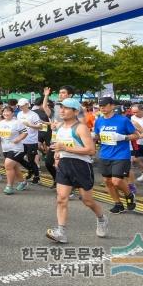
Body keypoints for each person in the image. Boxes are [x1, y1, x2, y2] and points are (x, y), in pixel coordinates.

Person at [46, 98, 108, 243]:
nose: (62, 110)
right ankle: (61, 231)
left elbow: (91, 150)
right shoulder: (60, 126)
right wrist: (57, 155)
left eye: (66, 108)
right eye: (61, 108)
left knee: (87, 200)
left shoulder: (81, 128)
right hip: (64, 165)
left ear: (75, 111)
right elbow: (59, 146)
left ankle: (101, 218)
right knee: (61, 199)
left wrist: (65, 148)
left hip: (81, 166)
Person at [94, 97, 140, 214]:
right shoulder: (99, 121)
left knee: (116, 181)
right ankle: (118, 204)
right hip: (104, 154)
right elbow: (98, 136)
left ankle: (129, 196)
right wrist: (93, 137)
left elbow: (136, 135)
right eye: (100, 106)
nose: (102, 108)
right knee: (107, 181)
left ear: (112, 106)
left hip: (121, 154)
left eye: (105, 105)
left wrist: (124, 137)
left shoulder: (123, 120)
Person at [0, 106, 29, 195]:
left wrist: (18, 139)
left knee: (8, 165)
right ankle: (23, 182)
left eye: (8, 112)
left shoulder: (17, 123)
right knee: (14, 167)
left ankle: (9, 186)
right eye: (4, 112)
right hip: (6, 148)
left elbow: (25, 132)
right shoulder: (0, 123)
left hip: (16, 148)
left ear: (12, 113)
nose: (6, 113)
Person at [16, 98, 42, 183]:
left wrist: (30, 125)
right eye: (20, 105)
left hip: (31, 141)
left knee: (31, 160)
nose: (21, 107)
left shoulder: (33, 115)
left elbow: (40, 126)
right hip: (22, 140)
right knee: (18, 158)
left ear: (27, 105)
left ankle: (37, 176)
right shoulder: (19, 114)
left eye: (23, 105)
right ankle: (30, 170)